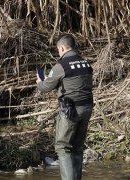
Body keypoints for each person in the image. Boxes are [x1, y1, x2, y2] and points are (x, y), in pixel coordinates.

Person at [36, 34, 93, 180]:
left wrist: (39, 81)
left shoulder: (61, 66)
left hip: (70, 110)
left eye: (58, 50)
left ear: (62, 48)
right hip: (87, 108)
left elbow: (46, 87)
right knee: (77, 147)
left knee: (63, 146)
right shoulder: (86, 63)